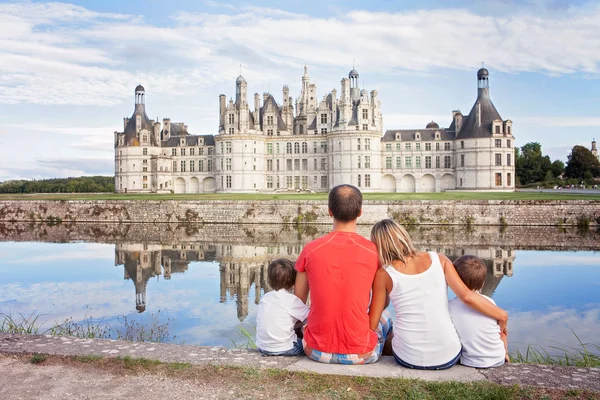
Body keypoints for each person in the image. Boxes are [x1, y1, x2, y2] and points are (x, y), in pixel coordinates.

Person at [369, 219, 508, 370]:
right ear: (404, 236)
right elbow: (467, 297)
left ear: (378, 247)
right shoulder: (439, 259)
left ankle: (388, 360)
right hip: (447, 357)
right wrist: (502, 316)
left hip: (407, 358)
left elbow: (372, 324)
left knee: (386, 321)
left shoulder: (383, 275)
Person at [294, 184, 392, 364]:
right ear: (360, 212)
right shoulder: (373, 252)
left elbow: (298, 301)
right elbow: (382, 301)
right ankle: (386, 362)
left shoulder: (310, 249)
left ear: (330, 211)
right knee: (386, 318)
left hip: (315, 350)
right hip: (360, 354)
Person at [448, 255, 509, 368]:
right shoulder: (489, 302)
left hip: (469, 361)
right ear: (482, 284)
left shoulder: (450, 307)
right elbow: (502, 332)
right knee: (502, 331)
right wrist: (504, 352)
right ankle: (506, 354)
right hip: (498, 359)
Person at [256, 258, 310, 356]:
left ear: (268, 280)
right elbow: (311, 317)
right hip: (286, 349)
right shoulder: (292, 300)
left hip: (262, 347)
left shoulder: (265, 298)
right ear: (294, 282)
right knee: (307, 331)